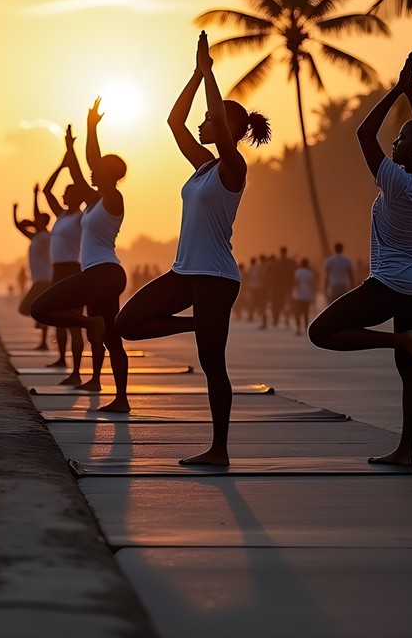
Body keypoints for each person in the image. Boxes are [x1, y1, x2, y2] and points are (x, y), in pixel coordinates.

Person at [116, 31, 271, 464]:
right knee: (127, 323)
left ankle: (219, 449)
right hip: (186, 272)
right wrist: (195, 73)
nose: (203, 123)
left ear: (231, 129)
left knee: (212, 365)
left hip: (217, 278)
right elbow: (173, 122)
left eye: (213, 119)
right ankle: (196, 325)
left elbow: (219, 126)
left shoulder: (233, 167)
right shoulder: (203, 167)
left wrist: (210, 75)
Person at [308, 53, 412, 466]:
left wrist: (397, 91)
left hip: (390, 285)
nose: (395, 143)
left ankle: (395, 339)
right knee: (410, 371)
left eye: (402, 140)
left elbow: (364, 133)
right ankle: (405, 452)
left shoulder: (397, 181)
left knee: (322, 332)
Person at [30, 100, 129, 405]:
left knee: (40, 309)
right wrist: (71, 146)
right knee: (109, 337)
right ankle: (117, 396)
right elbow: (80, 168)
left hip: (105, 272)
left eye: (97, 172)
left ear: (109, 174)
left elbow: (93, 161)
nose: (90, 175)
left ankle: (93, 331)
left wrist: (92, 129)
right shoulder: (94, 201)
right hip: (98, 275)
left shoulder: (113, 198)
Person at [41, 131, 88, 385]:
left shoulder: (81, 217)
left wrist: (72, 154)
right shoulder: (60, 215)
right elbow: (47, 191)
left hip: (73, 270)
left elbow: (80, 184)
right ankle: (61, 359)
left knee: (73, 322)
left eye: (67, 194)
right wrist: (61, 164)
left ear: (77, 196)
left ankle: (77, 372)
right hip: (57, 271)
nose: (62, 196)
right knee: (57, 317)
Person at [13, 187, 52, 349]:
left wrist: (35, 196)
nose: (34, 221)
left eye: (38, 220)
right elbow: (19, 227)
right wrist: (14, 211)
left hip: (44, 280)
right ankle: (43, 339)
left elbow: (35, 215)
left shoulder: (45, 237)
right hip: (39, 280)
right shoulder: (35, 236)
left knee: (24, 308)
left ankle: (43, 320)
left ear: (43, 222)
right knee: (42, 309)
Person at [292, 258, 317, 335]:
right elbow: (312, 284)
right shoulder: (310, 273)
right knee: (306, 312)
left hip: (298, 295)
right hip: (307, 295)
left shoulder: (298, 272)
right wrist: (313, 294)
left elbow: (296, 282)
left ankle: (298, 329)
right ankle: (306, 328)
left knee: (297, 312)